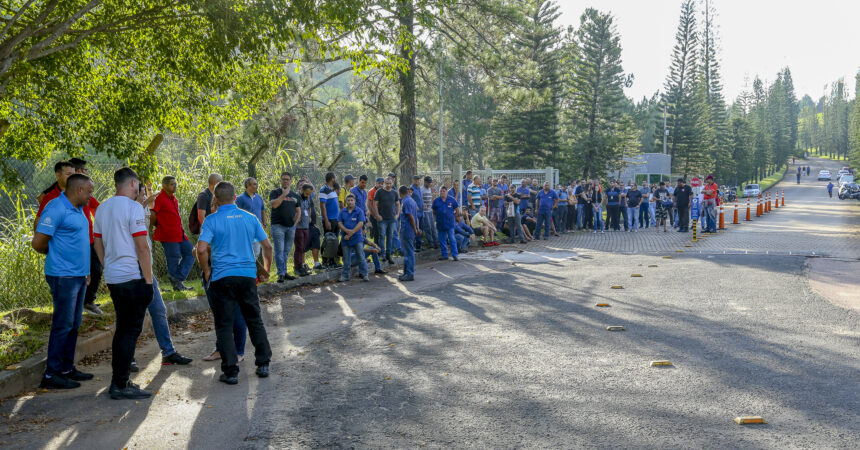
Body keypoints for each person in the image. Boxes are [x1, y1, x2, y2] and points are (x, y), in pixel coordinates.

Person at [197, 181, 273, 385]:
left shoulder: (211, 220)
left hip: (222, 277)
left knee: (224, 324)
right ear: (235, 197)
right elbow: (267, 246)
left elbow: (201, 249)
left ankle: (231, 371)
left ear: (216, 199)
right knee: (254, 319)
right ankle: (263, 363)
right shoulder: (250, 218)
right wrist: (266, 269)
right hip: (247, 275)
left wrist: (206, 271)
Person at [93, 168, 154, 400]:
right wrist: (148, 281)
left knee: (123, 331)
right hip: (132, 276)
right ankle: (120, 384)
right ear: (132, 184)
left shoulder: (102, 208)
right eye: (138, 186)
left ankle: (120, 380)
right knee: (129, 332)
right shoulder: (133, 208)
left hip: (114, 277)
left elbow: (97, 243)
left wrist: (107, 265)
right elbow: (142, 246)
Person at [32, 174, 95, 389]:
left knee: (74, 324)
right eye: (89, 191)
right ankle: (51, 374)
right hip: (62, 276)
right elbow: (38, 243)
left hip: (77, 276)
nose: (91, 195)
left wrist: (85, 272)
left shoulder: (77, 209)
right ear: (78, 190)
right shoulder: (56, 207)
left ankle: (67, 368)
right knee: (63, 324)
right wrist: (58, 256)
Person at [136, 183, 193, 368]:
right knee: (133, 316)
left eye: (145, 192)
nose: (145, 196)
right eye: (142, 194)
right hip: (130, 270)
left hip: (148, 268)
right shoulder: (126, 210)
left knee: (159, 310)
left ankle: (168, 353)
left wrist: (147, 202)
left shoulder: (148, 205)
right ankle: (127, 359)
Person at [151, 176, 194, 291]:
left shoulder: (173, 198)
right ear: (164, 185)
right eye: (172, 184)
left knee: (191, 253)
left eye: (175, 184)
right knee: (173, 258)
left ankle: (176, 278)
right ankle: (178, 284)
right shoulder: (160, 198)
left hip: (179, 233)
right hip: (168, 235)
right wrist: (161, 226)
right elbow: (153, 214)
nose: (175, 186)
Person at [270, 171, 301, 281]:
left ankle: (284, 271)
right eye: (283, 179)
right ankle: (281, 274)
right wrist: (284, 194)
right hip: (278, 226)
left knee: (286, 251)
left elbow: (298, 211)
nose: (285, 181)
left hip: (290, 227)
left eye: (287, 179)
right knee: (279, 250)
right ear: (281, 180)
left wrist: (295, 224)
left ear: (291, 181)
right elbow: (274, 205)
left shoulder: (295, 196)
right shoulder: (275, 192)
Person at [337, 194, 369, 282]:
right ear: (346, 201)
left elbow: (360, 223)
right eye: (348, 200)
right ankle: (345, 276)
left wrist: (351, 233)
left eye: (352, 200)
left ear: (355, 201)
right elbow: (339, 223)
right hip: (345, 239)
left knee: (361, 256)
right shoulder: (342, 211)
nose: (350, 202)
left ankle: (365, 274)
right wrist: (346, 231)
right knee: (346, 258)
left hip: (357, 238)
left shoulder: (359, 211)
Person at [236, 177, 267, 260]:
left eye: (256, 183)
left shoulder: (259, 197)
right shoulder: (240, 198)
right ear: (248, 185)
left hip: (257, 229)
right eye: (254, 184)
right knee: (246, 251)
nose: (256, 186)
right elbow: (236, 214)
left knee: (256, 252)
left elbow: (263, 211)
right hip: (245, 230)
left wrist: (264, 224)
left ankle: (252, 271)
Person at [373, 177, 399, 264]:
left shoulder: (395, 193)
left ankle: (389, 255)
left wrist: (397, 214)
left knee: (390, 237)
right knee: (382, 236)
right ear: (384, 183)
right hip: (382, 219)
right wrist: (377, 215)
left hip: (391, 219)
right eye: (386, 183)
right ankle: (382, 254)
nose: (388, 185)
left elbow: (398, 204)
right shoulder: (379, 192)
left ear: (392, 183)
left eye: (390, 183)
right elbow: (375, 204)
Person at [398, 186, 422, 281]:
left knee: (409, 252)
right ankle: (406, 272)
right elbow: (415, 216)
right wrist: (416, 228)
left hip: (407, 229)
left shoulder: (406, 202)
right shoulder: (412, 201)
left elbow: (411, 216)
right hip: (410, 229)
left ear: (400, 193)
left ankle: (409, 273)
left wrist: (415, 229)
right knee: (408, 252)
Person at [319, 172, 341, 268]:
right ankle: (325, 261)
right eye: (335, 177)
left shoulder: (332, 190)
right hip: (329, 220)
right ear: (332, 178)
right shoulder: (324, 190)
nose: (336, 179)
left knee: (335, 241)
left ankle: (332, 261)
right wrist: (326, 221)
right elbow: (322, 206)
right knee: (328, 240)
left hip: (336, 219)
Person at [432, 186, 460, 261]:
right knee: (442, 240)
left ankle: (455, 255)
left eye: (444, 191)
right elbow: (434, 211)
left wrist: (455, 216)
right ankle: (445, 255)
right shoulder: (436, 201)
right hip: (440, 224)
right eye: (441, 191)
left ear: (447, 192)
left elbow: (457, 209)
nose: (442, 192)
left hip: (450, 223)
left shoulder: (452, 200)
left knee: (452, 239)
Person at [293, 183, 314, 277]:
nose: (307, 196)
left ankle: (301, 266)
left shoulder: (308, 197)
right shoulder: (296, 197)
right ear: (301, 190)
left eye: (309, 194)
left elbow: (309, 207)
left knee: (303, 247)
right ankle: (297, 267)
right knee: (299, 247)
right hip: (298, 227)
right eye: (306, 193)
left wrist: (309, 216)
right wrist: (296, 217)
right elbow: (292, 210)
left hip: (306, 225)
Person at [420, 176, 438, 249]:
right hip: (425, 211)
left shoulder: (430, 189)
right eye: (428, 183)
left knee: (433, 227)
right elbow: (420, 199)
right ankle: (430, 243)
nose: (429, 184)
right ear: (425, 182)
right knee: (428, 227)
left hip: (430, 210)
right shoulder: (421, 189)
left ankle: (436, 242)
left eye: (430, 183)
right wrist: (422, 204)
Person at [367, 177, 384, 244]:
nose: (380, 185)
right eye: (379, 183)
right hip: (374, 214)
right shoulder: (371, 191)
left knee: (381, 232)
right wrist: (374, 215)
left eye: (382, 183)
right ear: (376, 183)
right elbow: (368, 204)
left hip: (382, 214)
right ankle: (376, 248)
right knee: (376, 233)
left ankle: (381, 247)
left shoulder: (383, 190)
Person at [410, 176, 424, 252]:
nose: (417, 181)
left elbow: (420, 199)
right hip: (415, 213)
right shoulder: (411, 189)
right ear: (413, 180)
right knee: (415, 229)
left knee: (421, 229)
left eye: (418, 180)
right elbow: (410, 198)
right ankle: (414, 246)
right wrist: (415, 206)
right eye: (416, 180)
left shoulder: (419, 188)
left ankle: (419, 245)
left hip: (421, 212)